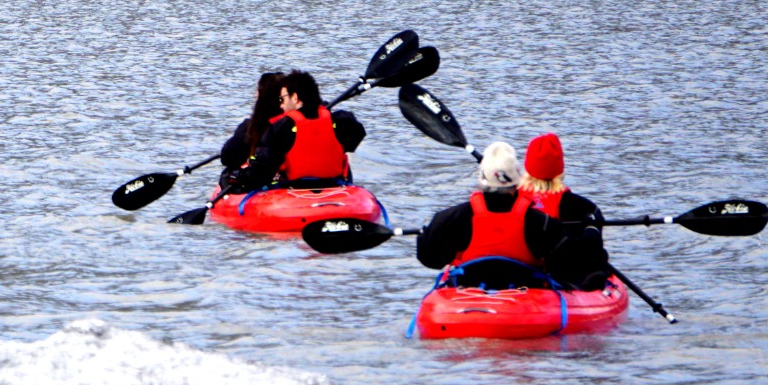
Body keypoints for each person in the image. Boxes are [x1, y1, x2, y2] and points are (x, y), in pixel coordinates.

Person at [415, 133, 610, 290]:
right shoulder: (541, 223)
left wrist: (425, 235)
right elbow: (565, 265)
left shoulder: (452, 218)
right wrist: (591, 231)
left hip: (469, 289)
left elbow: (430, 259)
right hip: (524, 289)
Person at [228, 70, 367, 192]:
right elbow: (355, 138)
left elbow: (262, 171)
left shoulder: (281, 127)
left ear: (295, 98)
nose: (281, 105)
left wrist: (238, 178)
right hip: (335, 188)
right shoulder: (340, 120)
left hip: (295, 191)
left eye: (282, 99)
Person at [216, 71, 287, 191]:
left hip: (267, 184)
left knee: (228, 175)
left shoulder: (251, 127)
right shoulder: (296, 122)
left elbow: (228, 158)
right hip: (294, 182)